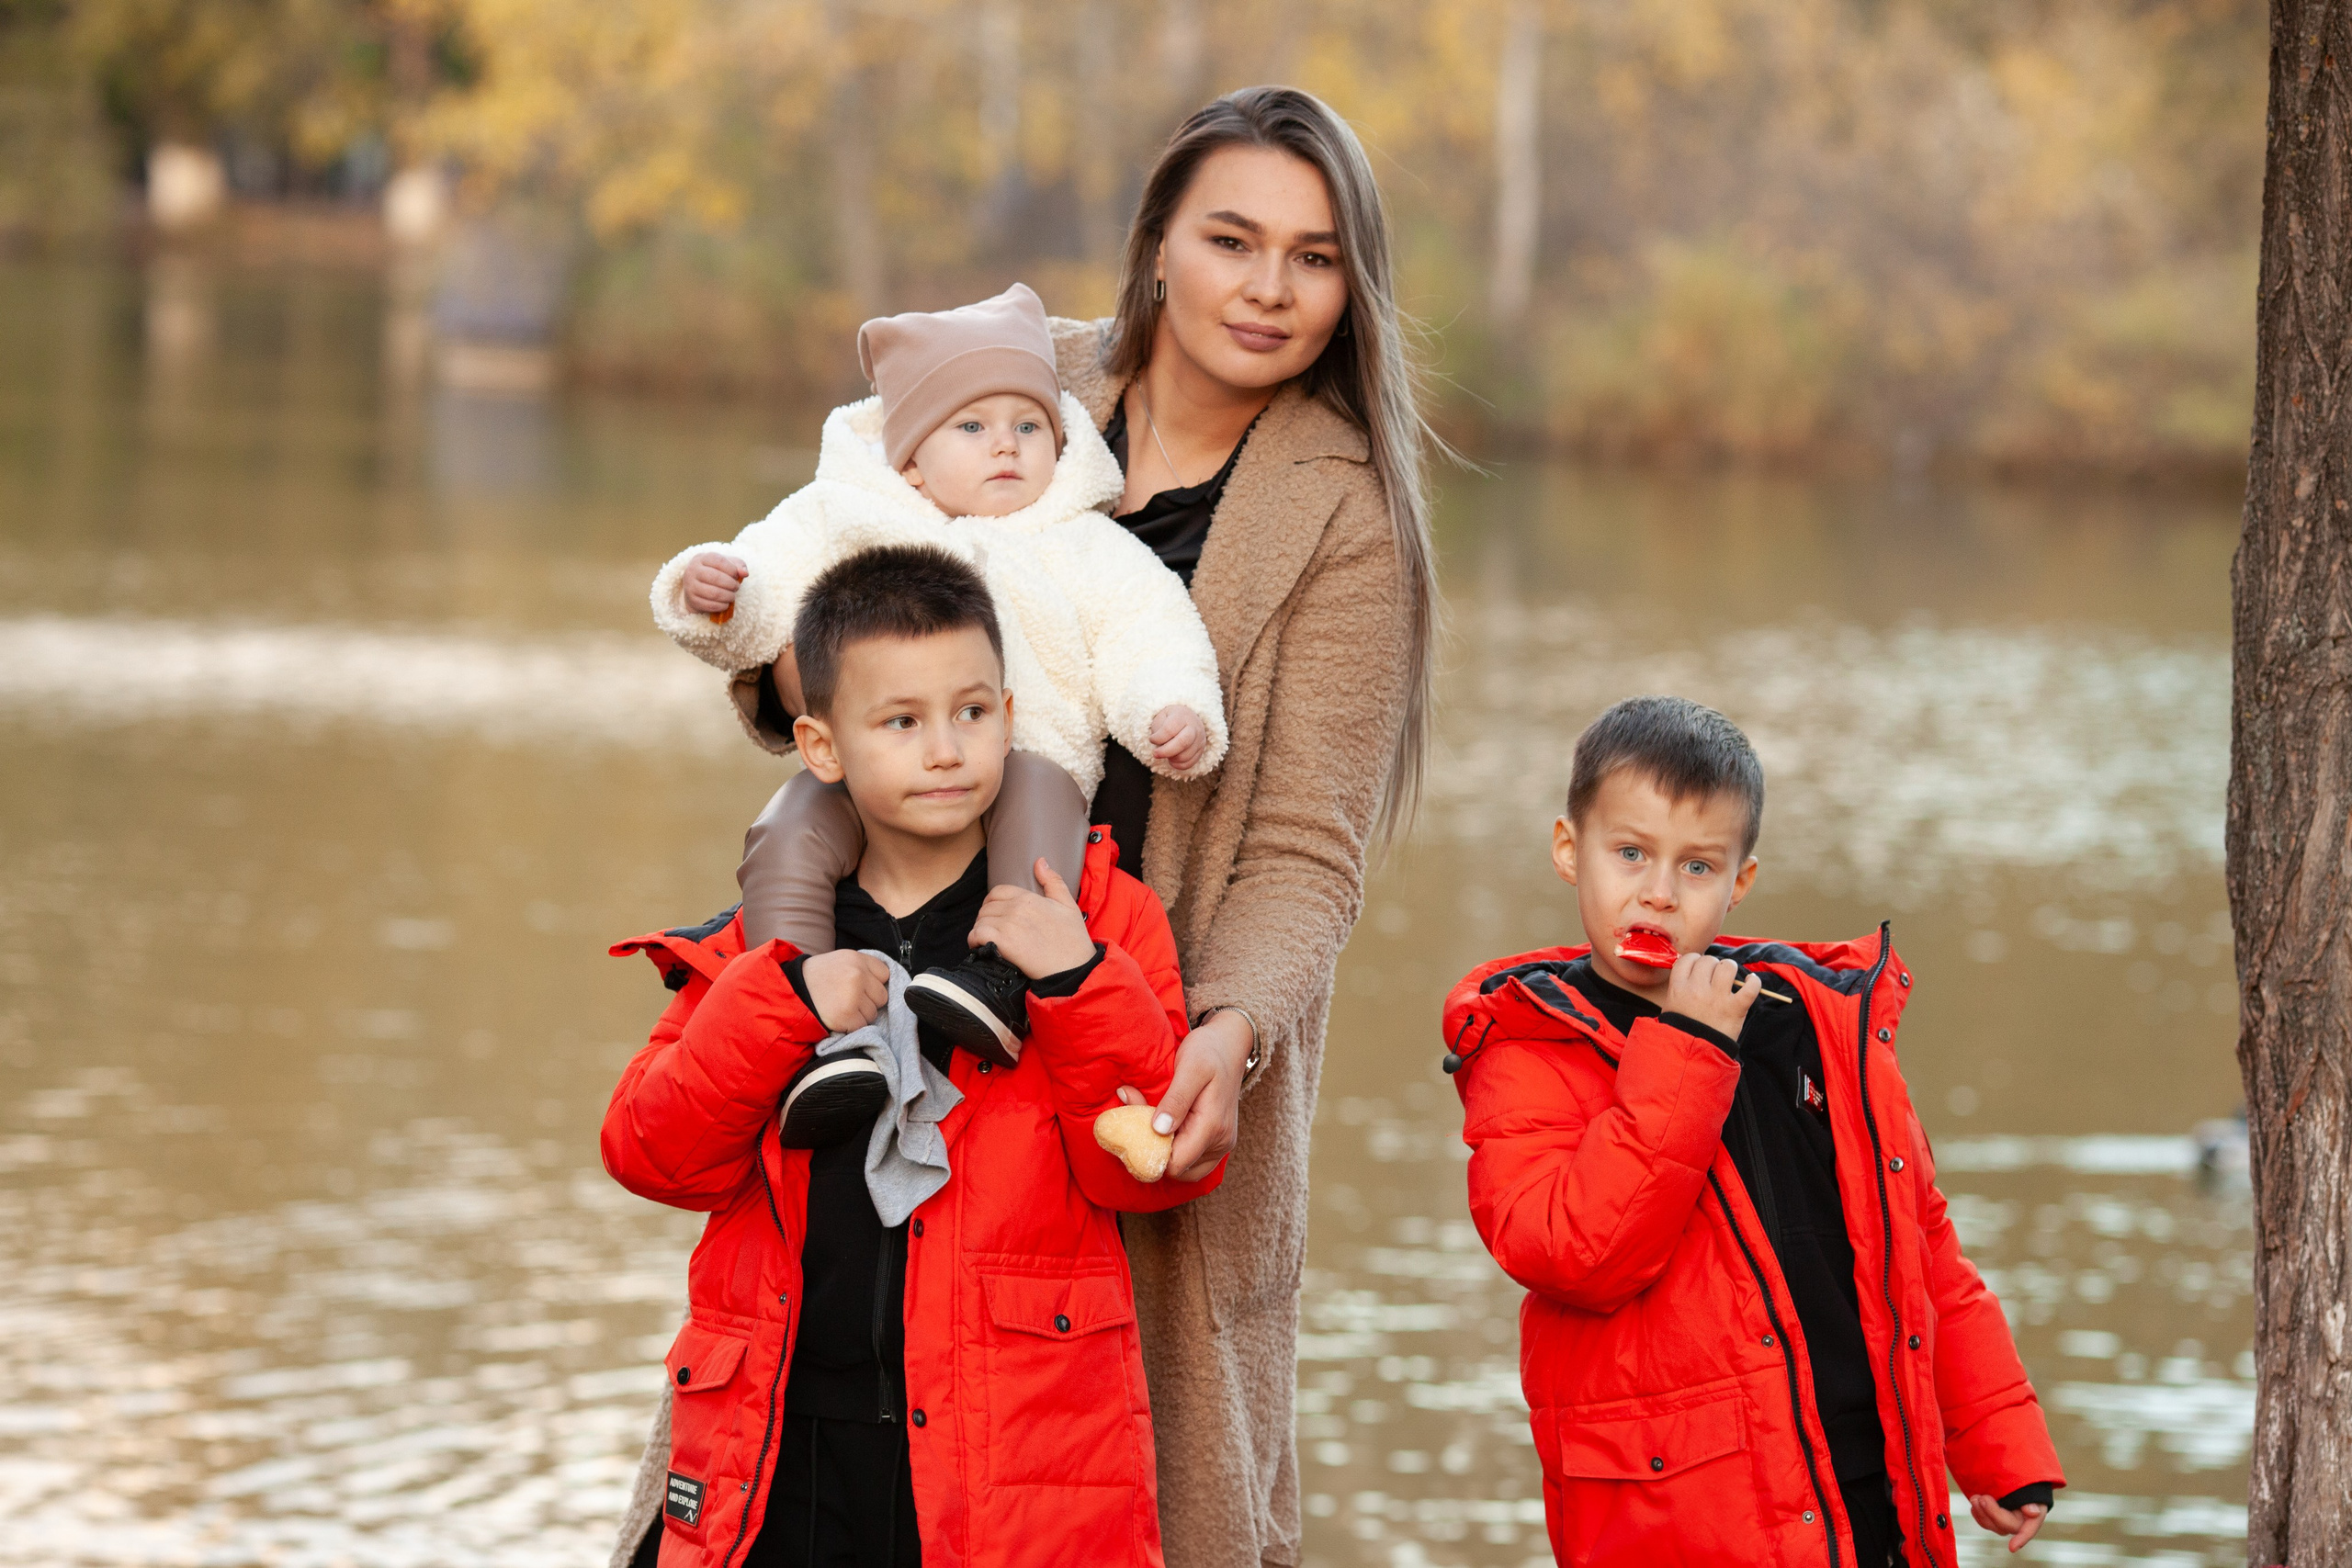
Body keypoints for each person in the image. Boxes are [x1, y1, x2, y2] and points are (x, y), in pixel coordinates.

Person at [613, 85, 1439, 1568]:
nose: (1267, 286)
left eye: (1314, 257)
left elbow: (1306, 848)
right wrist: (796, 668)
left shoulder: (1346, 512)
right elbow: (832, 580)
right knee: (826, 1338)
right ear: (1158, 241)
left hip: (1116, 992)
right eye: (1232, 239)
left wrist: (1232, 1029)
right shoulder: (1011, 374)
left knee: (1085, 1457)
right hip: (889, 918)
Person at [604, 544, 1223, 1568]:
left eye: (971, 712)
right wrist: (781, 1003)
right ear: (821, 744)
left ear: (1011, 717)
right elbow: (654, 1155)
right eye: (901, 722)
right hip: (785, 1451)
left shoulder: (1096, 917)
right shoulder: (766, 943)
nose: (946, 751)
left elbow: (1157, 1171)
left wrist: (1076, 983)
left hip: (1008, 1456)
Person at [1442, 696, 2065, 1568]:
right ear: (1568, 849)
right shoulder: (1530, 1045)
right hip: (1686, 1521)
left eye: (1697, 866)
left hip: (1866, 1502)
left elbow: (1921, 1247)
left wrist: (1999, 1441)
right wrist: (1688, 1048)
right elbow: (1576, 1252)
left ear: (1739, 881)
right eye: (1630, 853)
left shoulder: (1814, 1023)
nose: (1659, 892)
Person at [649, 282, 1226, 1067]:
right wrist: (717, 594)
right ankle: (797, 1002)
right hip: (869, 776)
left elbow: (1148, 626)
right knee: (788, 830)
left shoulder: (1084, 542)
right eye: (973, 426)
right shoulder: (844, 513)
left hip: (1023, 763)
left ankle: (999, 979)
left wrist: (1171, 703)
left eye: (1029, 426)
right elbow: (769, 582)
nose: (1006, 446)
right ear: (912, 462)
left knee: (1042, 826)